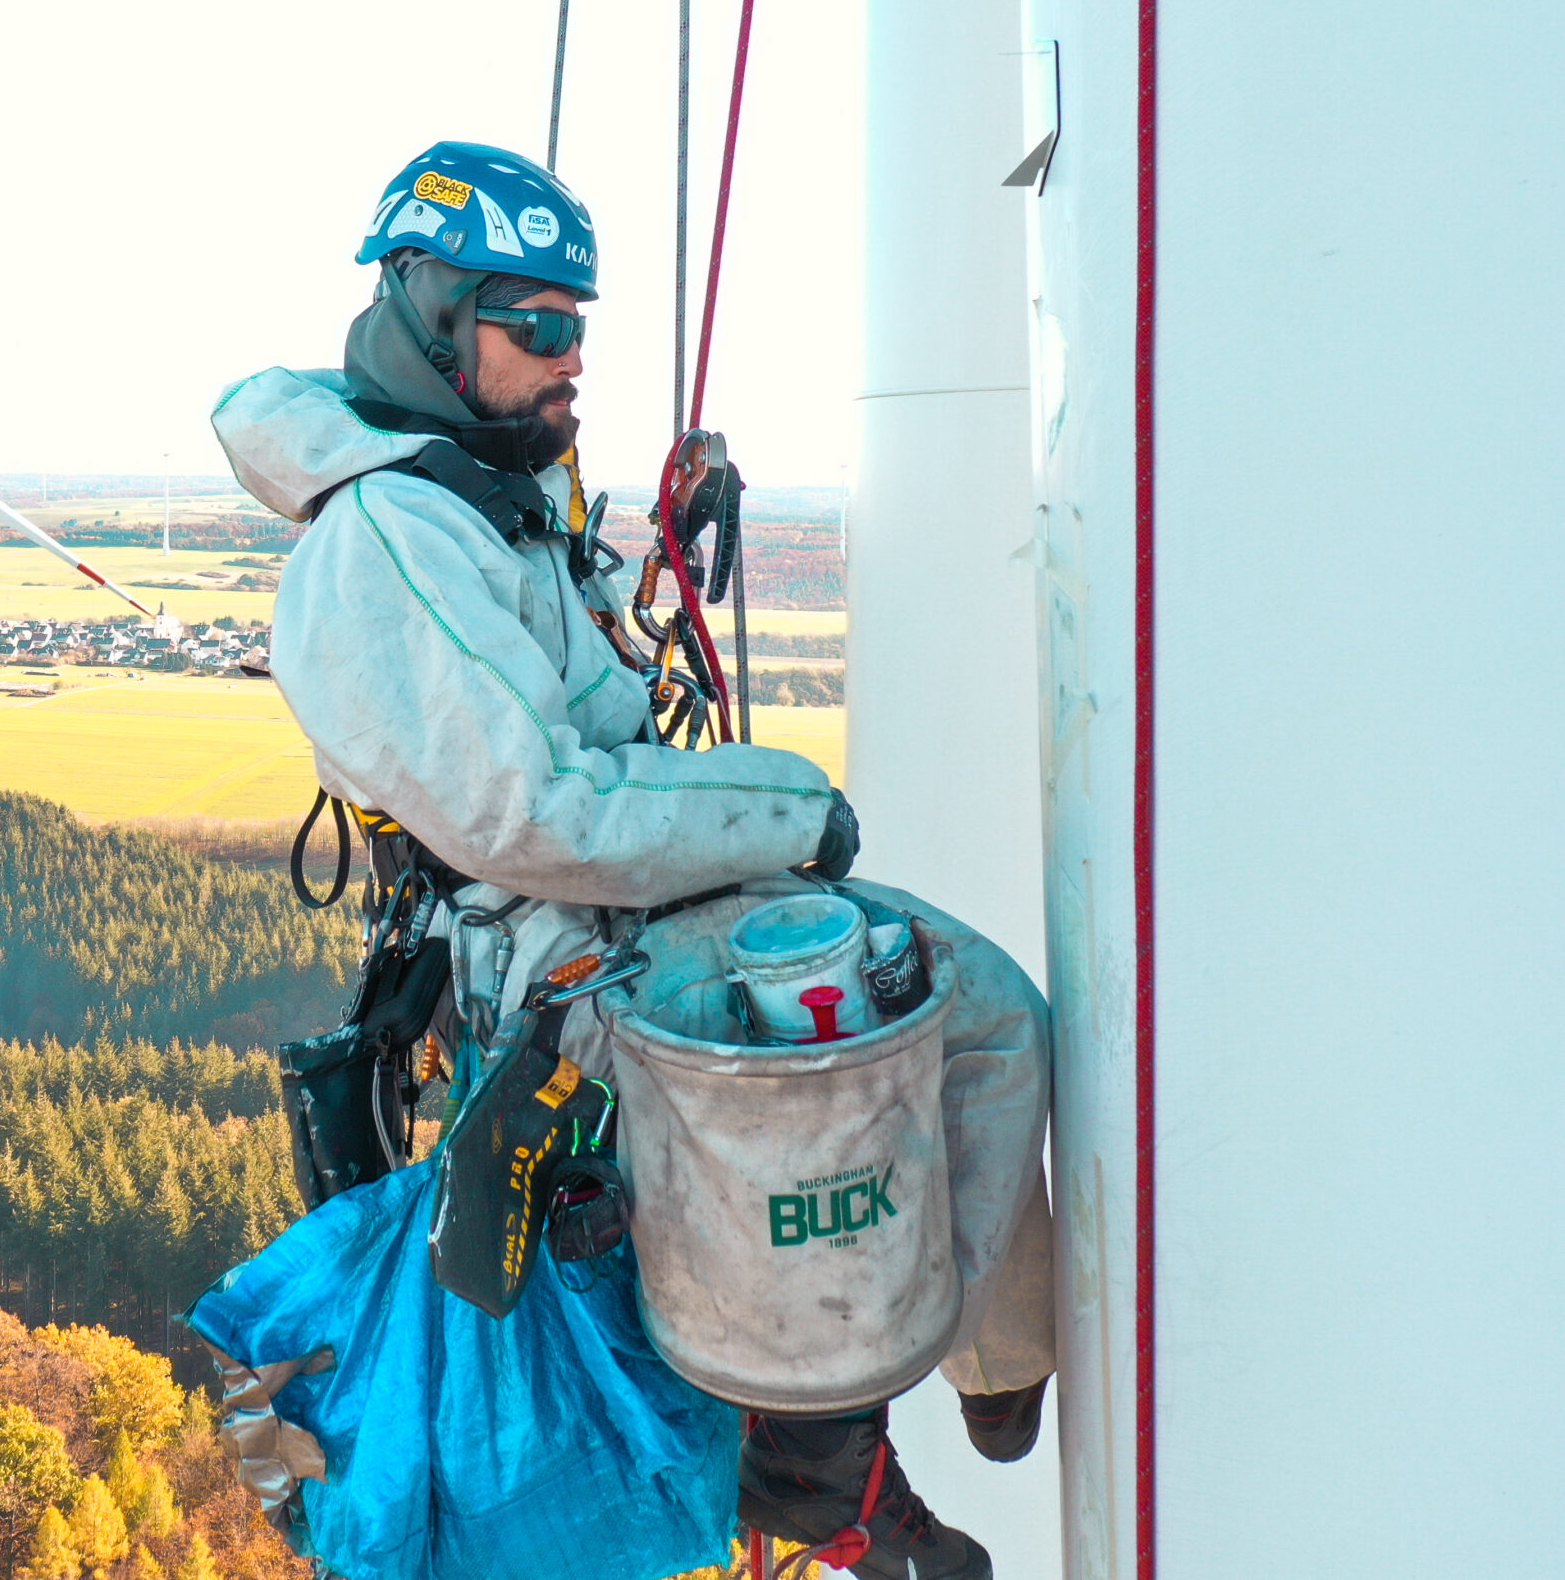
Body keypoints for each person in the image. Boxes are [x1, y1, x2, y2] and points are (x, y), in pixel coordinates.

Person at [213, 141, 1054, 1580]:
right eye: (534, 327)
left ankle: (960, 1362)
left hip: (610, 897)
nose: (568, 361)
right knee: (835, 1054)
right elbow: (533, 817)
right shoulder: (391, 534)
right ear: (427, 312)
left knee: (979, 1009)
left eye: (576, 331)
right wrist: (788, 813)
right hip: (554, 935)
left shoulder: (475, 490)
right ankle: (830, 1451)